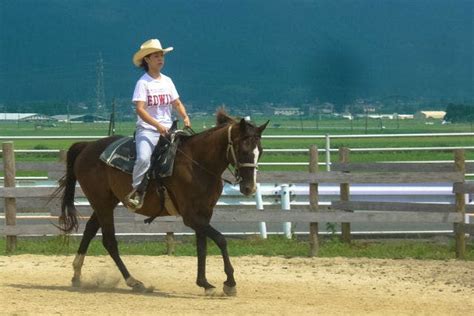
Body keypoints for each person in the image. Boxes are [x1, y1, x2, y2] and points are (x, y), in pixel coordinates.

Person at [126, 38, 191, 210]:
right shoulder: (143, 83)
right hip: (148, 130)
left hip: (169, 129)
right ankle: (137, 191)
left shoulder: (167, 81)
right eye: (156, 56)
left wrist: (185, 116)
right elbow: (140, 109)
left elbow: (176, 102)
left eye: (161, 55)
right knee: (144, 158)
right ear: (147, 59)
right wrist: (157, 126)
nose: (160, 59)